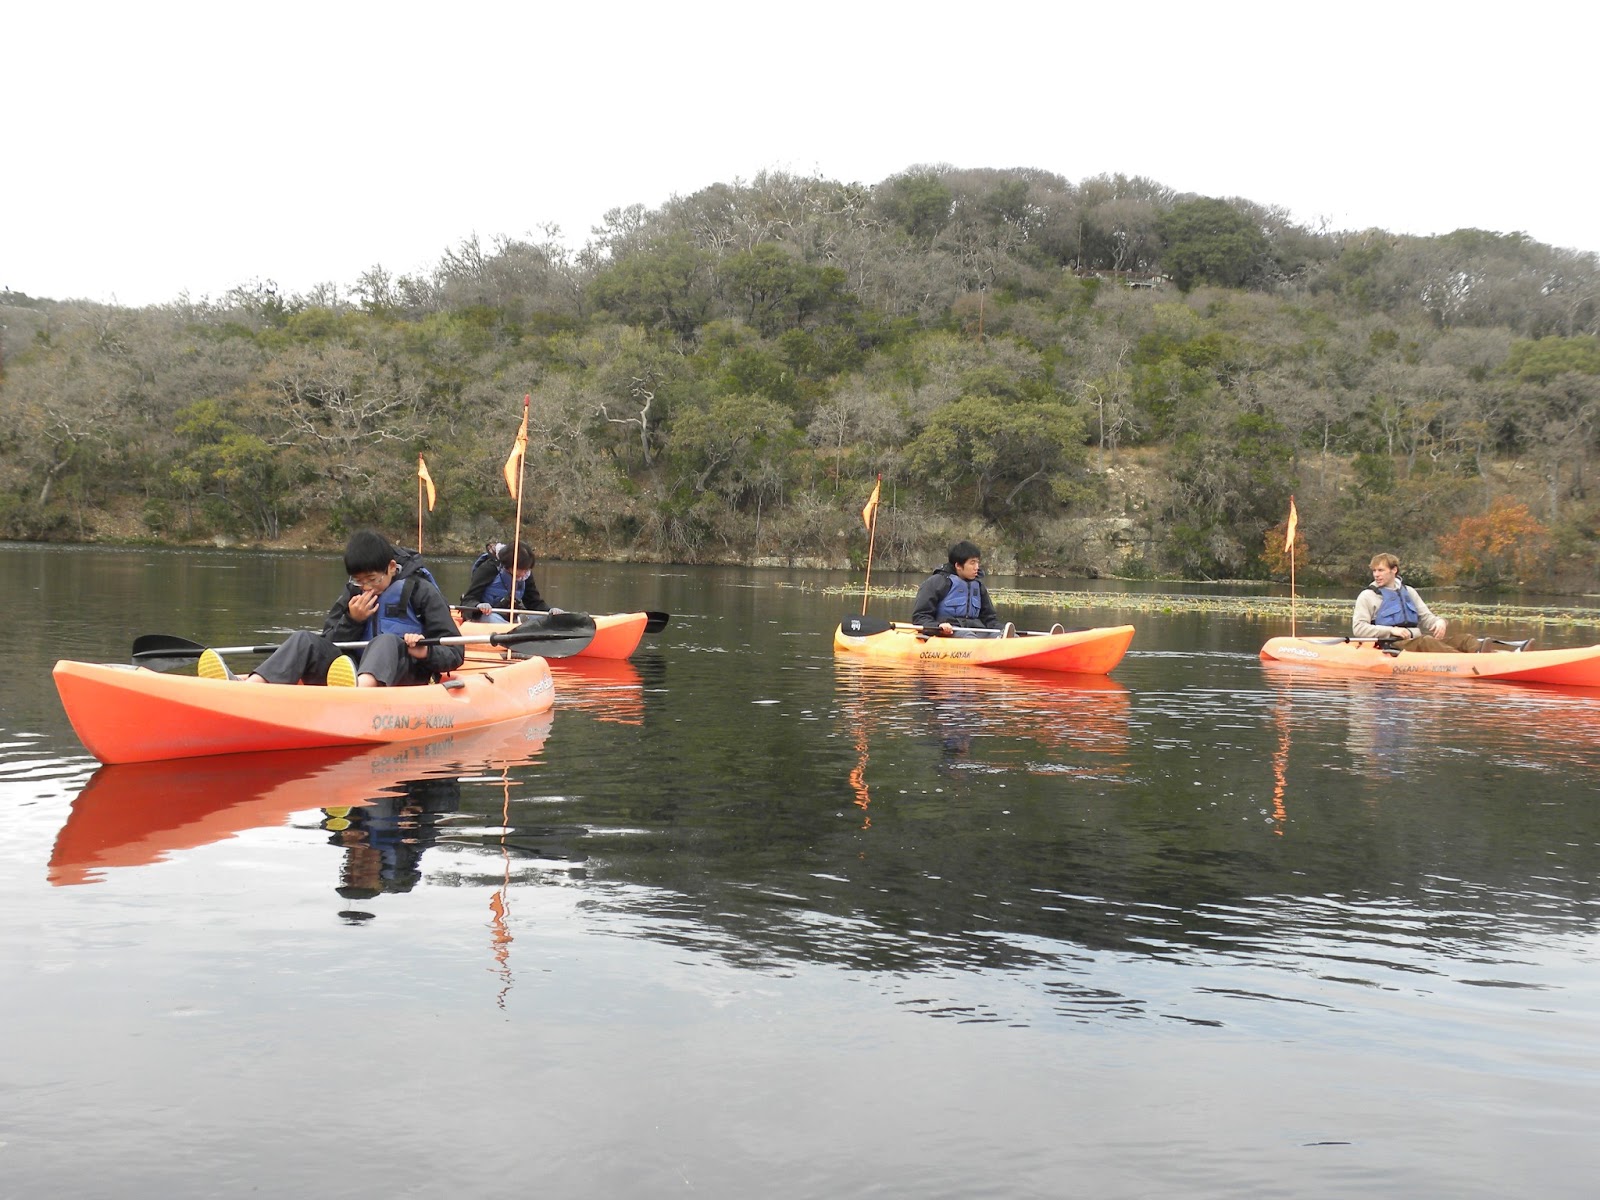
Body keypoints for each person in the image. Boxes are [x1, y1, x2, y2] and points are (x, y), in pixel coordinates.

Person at [240, 530, 465, 687]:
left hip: (405, 675)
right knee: (304, 639)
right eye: (359, 581)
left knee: (386, 640)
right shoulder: (352, 593)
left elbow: (456, 653)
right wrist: (352, 620)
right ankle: (252, 686)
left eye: (372, 579)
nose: (366, 587)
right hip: (349, 672)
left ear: (391, 567)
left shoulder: (421, 591)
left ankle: (360, 691)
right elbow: (328, 643)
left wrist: (425, 651)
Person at [1352, 552, 1523, 653]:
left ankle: (1491, 655)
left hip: (1416, 642)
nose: (1376, 574)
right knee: (1427, 641)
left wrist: (1439, 622)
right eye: (1374, 571)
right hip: (1390, 645)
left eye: (1380, 570)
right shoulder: (1368, 596)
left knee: (1465, 639)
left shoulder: (1409, 592)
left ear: (1394, 570)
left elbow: (1426, 617)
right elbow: (1359, 628)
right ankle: (1471, 661)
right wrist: (1391, 630)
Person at [911, 540, 1012, 636]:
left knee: (1005, 636)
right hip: (948, 632)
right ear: (958, 565)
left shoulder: (978, 586)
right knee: (968, 636)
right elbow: (920, 616)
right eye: (972, 563)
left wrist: (1003, 629)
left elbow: (989, 619)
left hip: (976, 630)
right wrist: (937, 627)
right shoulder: (937, 582)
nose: (976, 567)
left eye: (977, 562)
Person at [459, 542, 555, 623]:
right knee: (492, 618)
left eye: (526, 570)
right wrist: (478, 605)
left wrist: (550, 611)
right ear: (509, 565)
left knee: (543, 619)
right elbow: (469, 599)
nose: (523, 574)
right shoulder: (489, 569)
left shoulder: (525, 575)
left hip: (511, 614)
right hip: (486, 614)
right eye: (520, 569)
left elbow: (534, 602)